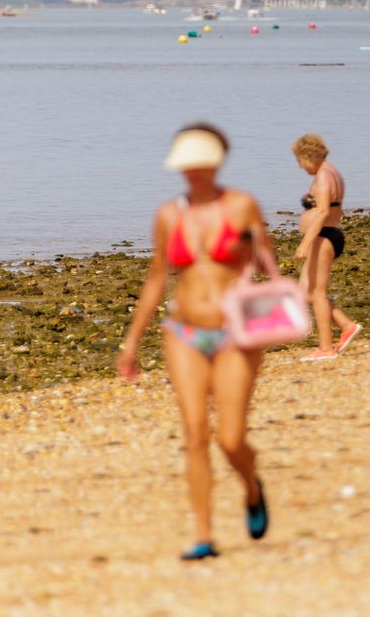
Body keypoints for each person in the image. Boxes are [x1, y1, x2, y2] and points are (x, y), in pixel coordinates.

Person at [117, 124, 275, 561]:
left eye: (199, 165)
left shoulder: (241, 205)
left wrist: (252, 244)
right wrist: (132, 341)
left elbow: (267, 265)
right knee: (194, 434)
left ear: (214, 163)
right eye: (186, 166)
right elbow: (156, 279)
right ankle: (204, 534)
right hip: (183, 332)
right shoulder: (170, 215)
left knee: (230, 438)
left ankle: (251, 486)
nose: (192, 173)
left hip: (235, 334)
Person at [292, 133, 361, 361]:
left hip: (323, 237)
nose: (300, 166)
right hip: (325, 236)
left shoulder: (323, 177)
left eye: (299, 161)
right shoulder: (332, 172)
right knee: (304, 292)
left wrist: (305, 243)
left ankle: (325, 348)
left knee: (317, 293)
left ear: (308, 156)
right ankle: (346, 325)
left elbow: (322, 212)